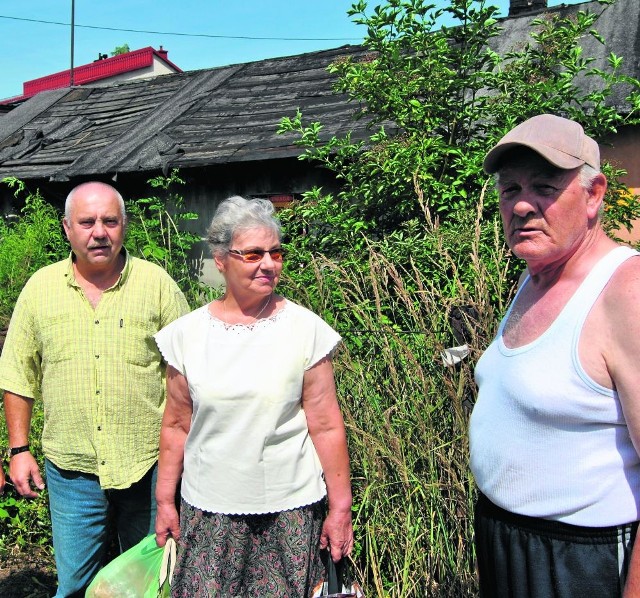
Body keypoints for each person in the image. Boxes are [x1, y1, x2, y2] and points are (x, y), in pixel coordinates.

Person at [469, 114, 640, 597]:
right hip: (508, 542)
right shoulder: (534, 275)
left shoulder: (625, 291)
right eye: (510, 189)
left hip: (582, 561)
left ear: (594, 194)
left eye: (544, 186)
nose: (522, 204)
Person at [154, 195, 354, 597]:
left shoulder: (305, 329)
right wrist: (164, 501)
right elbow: (176, 424)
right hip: (209, 510)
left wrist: (340, 509)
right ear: (221, 259)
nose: (268, 263)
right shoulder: (186, 336)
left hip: (290, 511)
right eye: (253, 254)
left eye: (275, 252)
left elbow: (327, 425)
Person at [0, 181, 190, 597]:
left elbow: (188, 373)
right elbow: (17, 373)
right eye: (87, 222)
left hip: (149, 466)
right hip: (72, 471)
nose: (98, 232)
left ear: (124, 226)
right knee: (73, 586)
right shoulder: (40, 288)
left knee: (152, 581)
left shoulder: (156, 285)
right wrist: (19, 450)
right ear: (67, 228)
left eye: (109, 221)